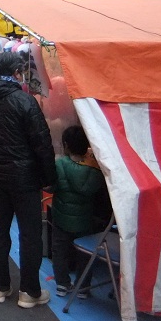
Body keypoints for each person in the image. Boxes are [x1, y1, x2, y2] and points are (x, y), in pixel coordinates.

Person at [0, 52, 56, 308]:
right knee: (30, 233)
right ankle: (29, 291)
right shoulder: (24, 101)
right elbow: (42, 143)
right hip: (24, 177)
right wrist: (49, 177)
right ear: (17, 72)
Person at [51, 125, 105, 298]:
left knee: (60, 251)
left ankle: (62, 284)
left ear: (66, 145)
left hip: (61, 219)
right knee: (85, 252)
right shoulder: (95, 169)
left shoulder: (59, 164)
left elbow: (51, 187)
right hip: (85, 220)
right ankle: (83, 286)